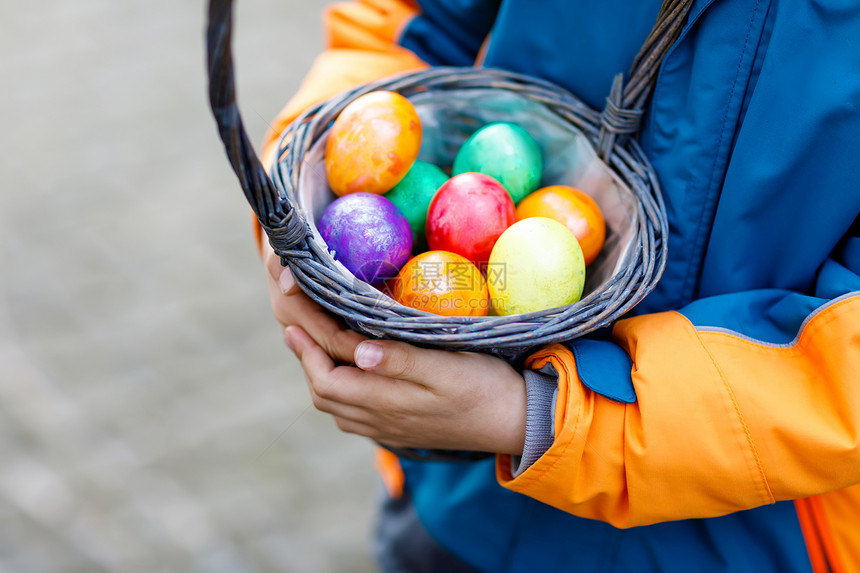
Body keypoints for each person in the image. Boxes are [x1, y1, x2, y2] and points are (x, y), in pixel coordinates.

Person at [255, 0, 860, 570]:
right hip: (460, 498)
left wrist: (545, 415)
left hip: (751, 540)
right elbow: (409, 20)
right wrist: (298, 196)